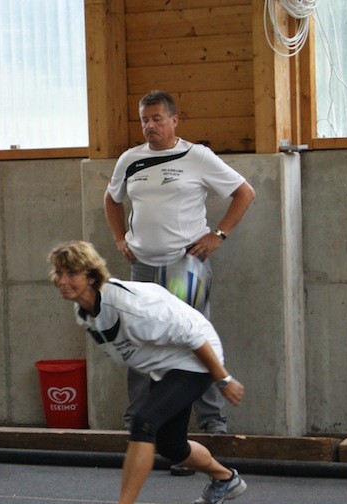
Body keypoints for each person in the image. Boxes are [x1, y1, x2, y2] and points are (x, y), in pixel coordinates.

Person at [48, 241, 247, 504]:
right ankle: (225, 479)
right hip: (167, 366)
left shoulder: (133, 306)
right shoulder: (85, 312)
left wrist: (224, 379)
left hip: (196, 358)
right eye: (59, 273)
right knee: (171, 445)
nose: (62, 281)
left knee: (144, 420)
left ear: (90, 276)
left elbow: (194, 337)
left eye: (71, 273)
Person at [104, 90, 255, 438]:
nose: (150, 126)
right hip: (142, 267)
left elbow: (244, 192)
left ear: (174, 120)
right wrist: (118, 239)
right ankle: (140, 418)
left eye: (157, 119)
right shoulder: (130, 159)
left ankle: (211, 422)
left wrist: (219, 234)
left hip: (185, 266)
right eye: (144, 119)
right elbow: (111, 199)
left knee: (191, 338)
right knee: (139, 338)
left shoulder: (197, 156)